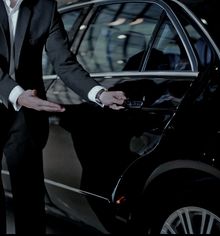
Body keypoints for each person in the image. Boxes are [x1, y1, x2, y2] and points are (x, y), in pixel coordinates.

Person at [0, 0, 126, 234]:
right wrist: (17, 94)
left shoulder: (44, 7)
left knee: (29, 202)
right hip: (17, 98)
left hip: (28, 113)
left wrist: (98, 93)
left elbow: (64, 62)